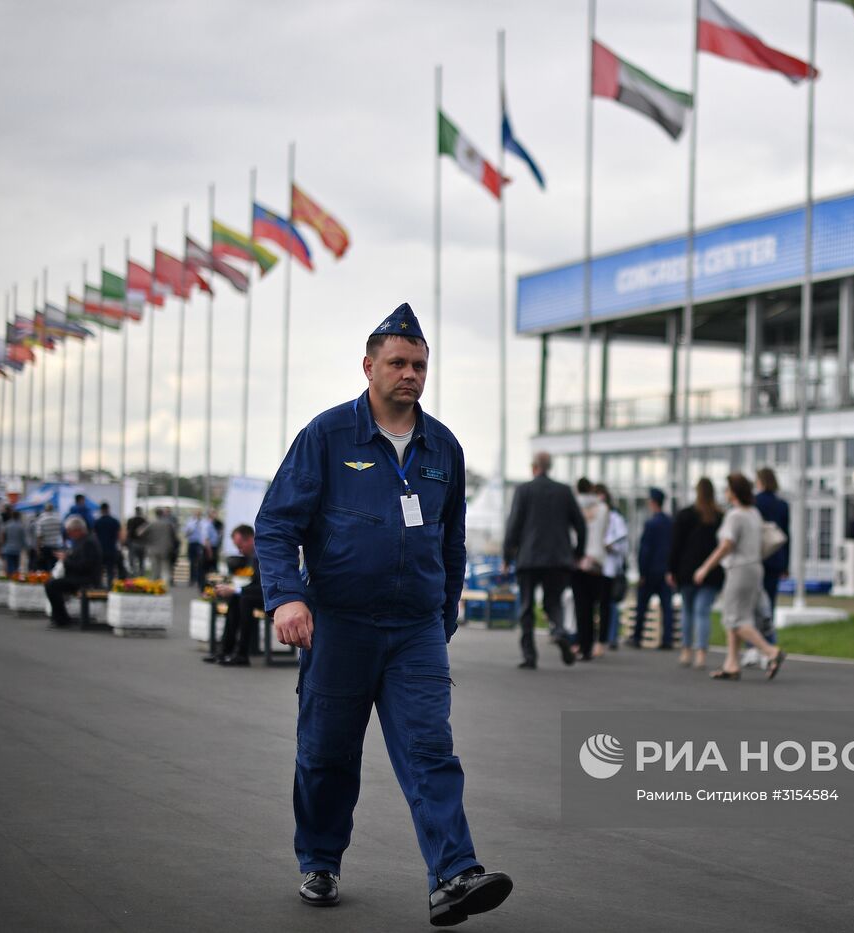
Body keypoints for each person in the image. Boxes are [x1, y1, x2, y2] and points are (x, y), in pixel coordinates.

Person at [257, 302, 512, 923]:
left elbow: (451, 538)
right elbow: (275, 524)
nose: (411, 374)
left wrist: (445, 605)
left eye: (420, 364)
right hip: (339, 624)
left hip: (415, 631)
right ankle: (319, 858)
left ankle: (454, 874)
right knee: (327, 754)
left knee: (431, 750)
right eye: (398, 363)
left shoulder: (442, 447)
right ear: (369, 366)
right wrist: (287, 596)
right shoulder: (327, 436)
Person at [694, 473, 786, 682]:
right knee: (735, 616)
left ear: (734, 492)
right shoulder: (753, 512)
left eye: (727, 489)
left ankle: (771, 651)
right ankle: (731, 664)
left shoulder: (735, 516)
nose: (725, 493)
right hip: (754, 567)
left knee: (736, 620)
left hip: (739, 569)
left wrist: (705, 568)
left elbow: (726, 545)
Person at [502, 451, 585, 669]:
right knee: (553, 601)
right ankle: (559, 630)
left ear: (533, 467)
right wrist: (577, 553)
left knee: (527, 606)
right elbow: (580, 525)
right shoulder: (564, 491)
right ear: (550, 467)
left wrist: (506, 556)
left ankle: (530, 656)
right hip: (558, 559)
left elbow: (514, 526)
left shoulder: (524, 490)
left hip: (528, 558)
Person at [668, 478, 724, 671]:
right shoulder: (719, 516)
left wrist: (671, 569)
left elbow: (675, 545)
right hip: (712, 571)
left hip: (687, 570)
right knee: (703, 612)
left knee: (688, 611)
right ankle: (701, 653)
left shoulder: (685, 515)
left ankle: (686, 650)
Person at [204, 524, 263, 666]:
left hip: (274, 596)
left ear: (250, 539)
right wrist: (234, 590)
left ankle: (242, 653)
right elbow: (256, 584)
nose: (239, 551)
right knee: (237, 598)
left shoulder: (262, 554)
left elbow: (263, 587)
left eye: (240, 546)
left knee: (244, 599)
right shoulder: (255, 555)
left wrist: (236, 590)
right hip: (263, 594)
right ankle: (226, 650)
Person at [570, 477, 610, 661]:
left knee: (580, 605)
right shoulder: (602, 508)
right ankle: (592, 643)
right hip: (596, 561)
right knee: (594, 605)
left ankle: (581, 644)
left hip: (579, 560)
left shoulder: (573, 505)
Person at [630, 487, 675, 650]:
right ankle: (667, 639)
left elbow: (645, 550)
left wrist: (642, 573)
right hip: (665, 571)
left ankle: (637, 637)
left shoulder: (650, 524)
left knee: (642, 605)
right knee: (666, 607)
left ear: (653, 502)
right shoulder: (670, 523)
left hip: (650, 572)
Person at [754, 467, 790, 651]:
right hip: (775, 558)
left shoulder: (754, 503)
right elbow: (785, 536)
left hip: (756, 558)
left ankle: (753, 646)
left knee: (753, 604)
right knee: (770, 605)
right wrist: (786, 564)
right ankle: (768, 644)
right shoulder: (781, 504)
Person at [44, 516, 103, 629]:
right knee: (50, 583)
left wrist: (66, 560)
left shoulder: (88, 542)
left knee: (52, 585)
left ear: (77, 530)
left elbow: (85, 566)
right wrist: (67, 557)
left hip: (86, 579)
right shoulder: (82, 541)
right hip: (79, 576)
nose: (69, 535)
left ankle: (61, 619)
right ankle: (60, 617)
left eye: (70, 532)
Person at [594, 484, 628, 650]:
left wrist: (611, 547)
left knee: (608, 604)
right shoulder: (590, 516)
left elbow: (623, 544)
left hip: (608, 567)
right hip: (593, 567)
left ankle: (609, 637)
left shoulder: (615, 518)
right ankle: (595, 638)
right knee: (595, 604)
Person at [183, 509, 216, 588]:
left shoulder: (204, 523)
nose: (197, 515)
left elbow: (205, 534)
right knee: (192, 562)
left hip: (200, 544)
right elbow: (186, 533)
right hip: (192, 543)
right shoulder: (190, 522)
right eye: (196, 514)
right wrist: (190, 529)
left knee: (200, 562)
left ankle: (199, 580)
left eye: (198, 514)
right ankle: (192, 579)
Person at [142, 508, 177, 582]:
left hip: (153, 548)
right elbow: (174, 535)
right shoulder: (168, 524)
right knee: (165, 567)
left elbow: (140, 533)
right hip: (166, 548)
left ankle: (155, 583)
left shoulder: (151, 523)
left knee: (155, 568)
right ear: (163, 514)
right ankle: (165, 584)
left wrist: (148, 539)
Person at [93, 502, 122, 588]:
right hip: (111, 549)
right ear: (108, 509)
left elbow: (94, 536)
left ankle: (99, 587)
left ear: (101, 510)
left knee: (99, 570)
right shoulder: (114, 521)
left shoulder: (97, 522)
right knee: (110, 570)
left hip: (100, 550)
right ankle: (110, 587)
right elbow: (119, 535)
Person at [33, 503, 64, 571]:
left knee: (45, 566)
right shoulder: (58, 519)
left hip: (45, 546)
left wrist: (38, 549)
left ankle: (47, 579)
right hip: (56, 545)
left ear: (45, 509)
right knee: (55, 565)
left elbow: (39, 535)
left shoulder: (41, 520)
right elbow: (62, 532)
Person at [0, 507, 26, 577]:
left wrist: (1, 546)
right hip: (17, 549)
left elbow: (3, 536)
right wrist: (23, 547)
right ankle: (14, 576)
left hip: (8, 548)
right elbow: (23, 538)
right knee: (16, 565)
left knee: (9, 564)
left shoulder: (7, 524)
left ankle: (10, 576)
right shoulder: (21, 526)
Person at [125, 507, 149, 576]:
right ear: (140, 512)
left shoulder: (131, 520)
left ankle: (134, 575)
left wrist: (127, 543)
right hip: (142, 543)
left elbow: (128, 532)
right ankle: (141, 576)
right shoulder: (145, 521)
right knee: (142, 561)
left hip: (133, 542)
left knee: (132, 561)